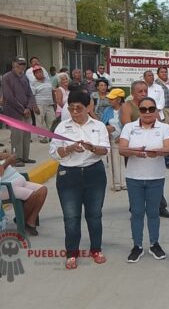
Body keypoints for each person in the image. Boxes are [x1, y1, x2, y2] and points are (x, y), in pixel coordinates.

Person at [49, 90, 110, 269]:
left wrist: (92, 148)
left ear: (87, 107)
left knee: (94, 215)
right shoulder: (62, 127)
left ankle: (96, 249)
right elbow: (54, 153)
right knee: (71, 216)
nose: (75, 112)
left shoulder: (98, 126)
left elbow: (105, 150)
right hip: (69, 175)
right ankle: (72, 253)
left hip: (94, 174)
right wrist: (69, 148)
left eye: (78, 108)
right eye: (71, 109)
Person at [119, 97, 169, 263]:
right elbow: (122, 149)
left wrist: (157, 152)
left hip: (155, 178)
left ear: (156, 110)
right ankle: (137, 245)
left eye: (151, 109)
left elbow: (168, 148)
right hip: (134, 178)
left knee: (153, 213)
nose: (148, 112)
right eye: (144, 109)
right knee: (136, 213)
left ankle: (154, 243)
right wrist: (134, 152)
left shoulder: (165, 128)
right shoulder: (129, 127)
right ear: (139, 111)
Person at [120, 80, 169, 219]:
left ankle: (160, 207)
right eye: (140, 91)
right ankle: (135, 208)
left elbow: (158, 123)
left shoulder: (151, 106)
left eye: (145, 91)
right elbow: (127, 125)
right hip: (134, 149)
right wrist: (136, 146)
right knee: (135, 181)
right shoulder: (127, 106)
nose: (143, 93)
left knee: (156, 180)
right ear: (132, 93)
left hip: (153, 150)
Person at [0, 153, 47, 236]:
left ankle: (30, 221)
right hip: (6, 187)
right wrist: (6, 163)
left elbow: (12, 156)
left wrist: (9, 157)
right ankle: (22, 219)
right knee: (35, 196)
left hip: (18, 181)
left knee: (43, 190)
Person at [2, 57, 36, 167]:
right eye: (19, 64)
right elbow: (9, 97)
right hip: (14, 113)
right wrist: (22, 109)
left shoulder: (24, 77)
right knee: (17, 136)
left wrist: (29, 107)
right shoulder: (7, 77)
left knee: (26, 136)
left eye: (23, 65)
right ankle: (16, 159)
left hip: (26, 112)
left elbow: (30, 94)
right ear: (13, 64)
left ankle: (25, 157)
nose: (21, 67)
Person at [101, 88, 126, 191]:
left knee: (123, 162)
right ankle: (116, 184)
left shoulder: (125, 109)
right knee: (113, 162)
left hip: (124, 140)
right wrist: (107, 128)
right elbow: (102, 124)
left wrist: (123, 136)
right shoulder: (107, 111)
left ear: (119, 99)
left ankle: (124, 183)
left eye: (112, 99)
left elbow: (129, 124)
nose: (110, 101)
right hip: (112, 140)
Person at [30, 64, 56, 143]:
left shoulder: (48, 80)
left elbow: (52, 92)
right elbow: (32, 96)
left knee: (52, 121)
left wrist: (55, 102)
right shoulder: (33, 83)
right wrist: (35, 107)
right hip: (39, 105)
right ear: (34, 75)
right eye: (36, 73)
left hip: (49, 104)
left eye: (40, 72)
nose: (39, 74)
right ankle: (42, 137)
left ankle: (53, 137)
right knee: (39, 122)